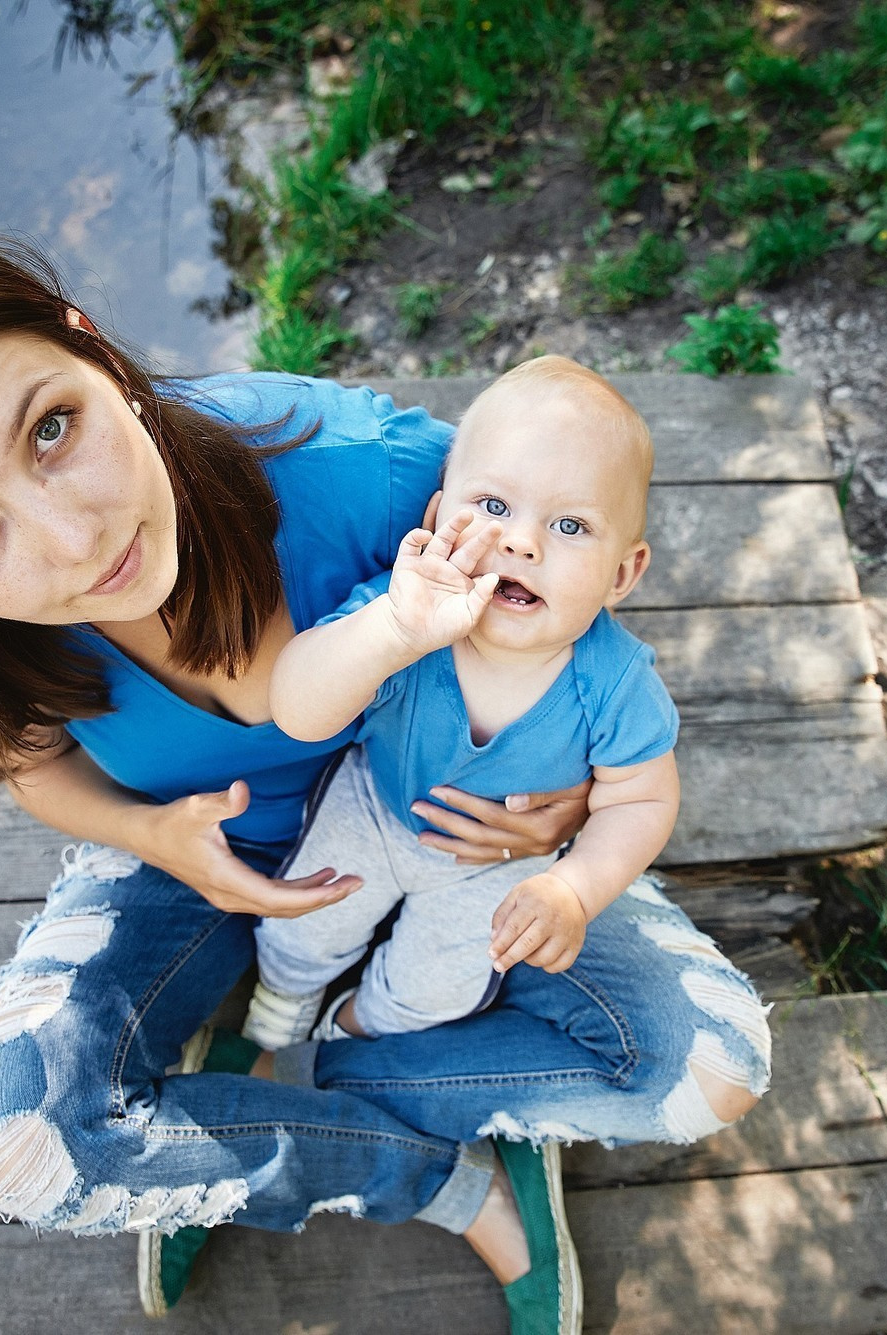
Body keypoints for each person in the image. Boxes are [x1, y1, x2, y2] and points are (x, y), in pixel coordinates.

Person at [0, 223, 772, 1335]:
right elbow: (29, 771)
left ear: (88, 346)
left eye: (50, 427)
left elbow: (567, 573)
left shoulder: (372, 475)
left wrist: (572, 804)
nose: (74, 539)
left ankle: (343, 1081)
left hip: (453, 824)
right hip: (197, 860)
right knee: (20, 1144)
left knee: (704, 1064)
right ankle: (431, 1176)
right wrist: (153, 841)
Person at [246, 358, 683, 1051]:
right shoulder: (407, 620)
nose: (521, 541)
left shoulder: (614, 682)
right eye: (494, 506)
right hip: (374, 810)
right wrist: (388, 633)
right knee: (306, 918)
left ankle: (353, 1027)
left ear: (622, 573)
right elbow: (299, 708)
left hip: (496, 865)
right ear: (437, 516)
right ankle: (287, 989)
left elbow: (642, 801)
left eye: (570, 525)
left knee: (439, 988)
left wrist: (575, 887)